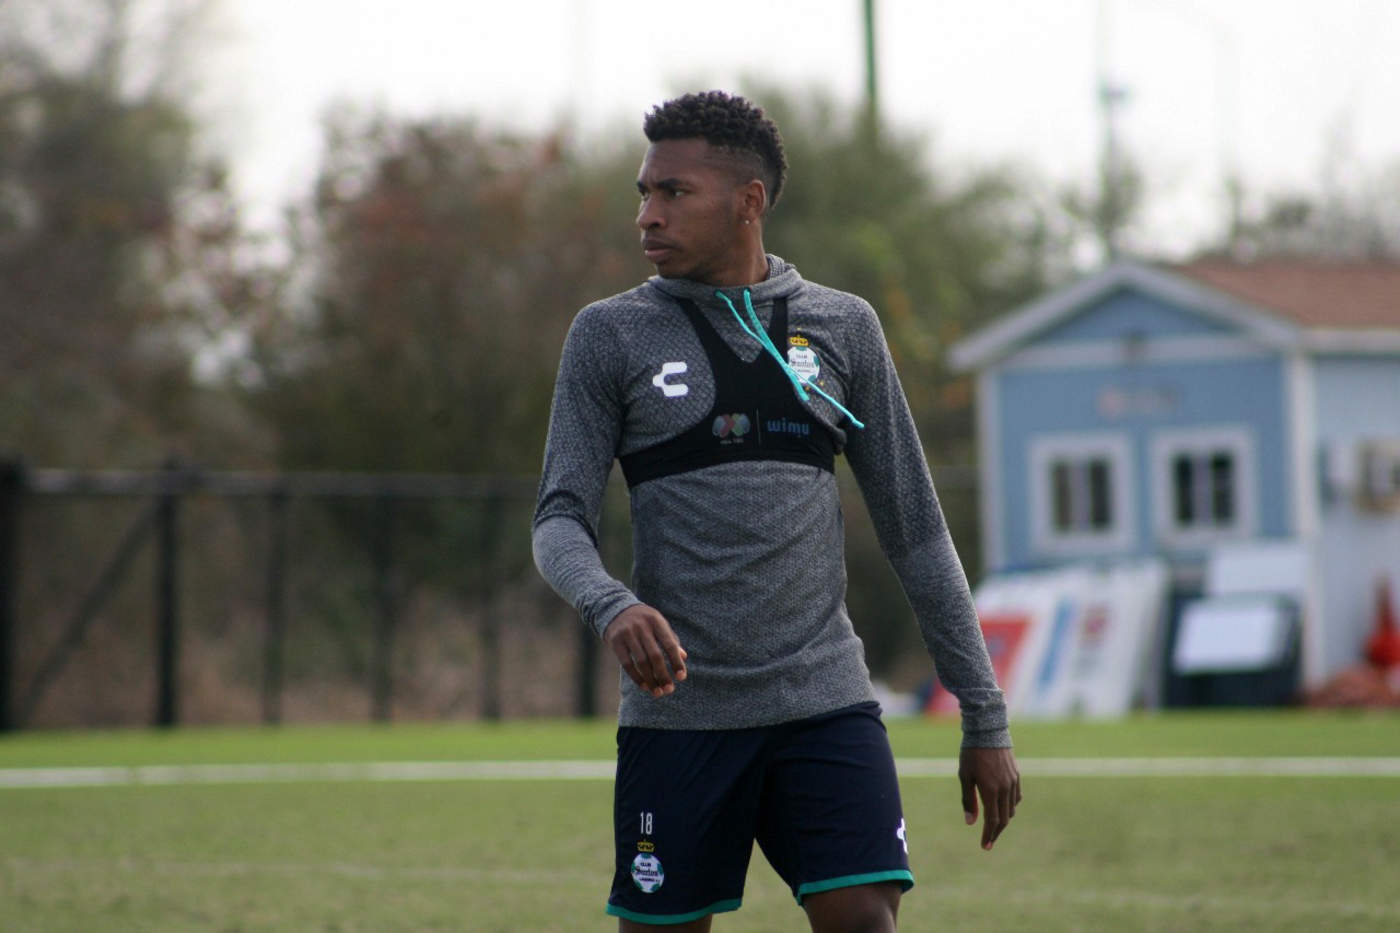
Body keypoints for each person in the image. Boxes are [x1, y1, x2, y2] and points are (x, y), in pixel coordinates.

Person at [532, 90, 1020, 932]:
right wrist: (611, 605)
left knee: (863, 918)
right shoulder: (608, 335)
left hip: (824, 703)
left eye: (673, 192)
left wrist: (985, 714)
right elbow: (557, 519)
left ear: (748, 201)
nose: (647, 215)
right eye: (644, 192)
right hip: (680, 717)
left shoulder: (845, 326)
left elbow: (915, 531)